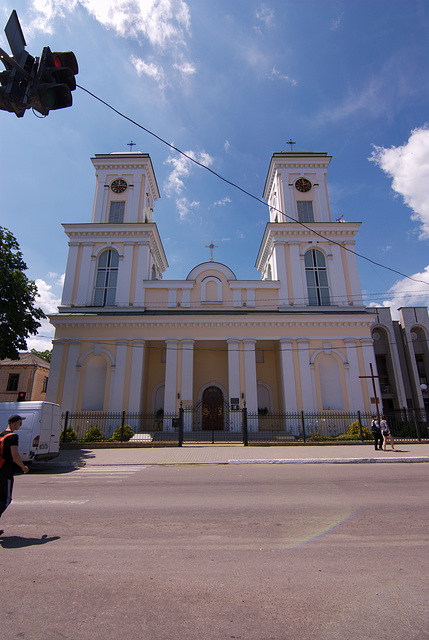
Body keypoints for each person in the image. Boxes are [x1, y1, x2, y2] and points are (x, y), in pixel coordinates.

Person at [0, 414, 29, 536]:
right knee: (6, 499)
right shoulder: (13, 437)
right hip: (5, 471)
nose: (20, 425)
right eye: (19, 423)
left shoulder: (1, 434)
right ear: (13, 423)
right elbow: (15, 455)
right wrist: (23, 467)